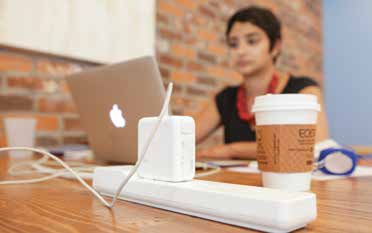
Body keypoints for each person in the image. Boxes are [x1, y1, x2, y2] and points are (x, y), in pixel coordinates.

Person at [194, 6, 329, 159]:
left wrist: (233, 150)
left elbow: (316, 145)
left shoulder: (303, 89)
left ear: (275, 47)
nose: (241, 51)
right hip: (236, 183)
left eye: (252, 41)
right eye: (233, 44)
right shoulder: (226, 98)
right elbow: (185, 137)